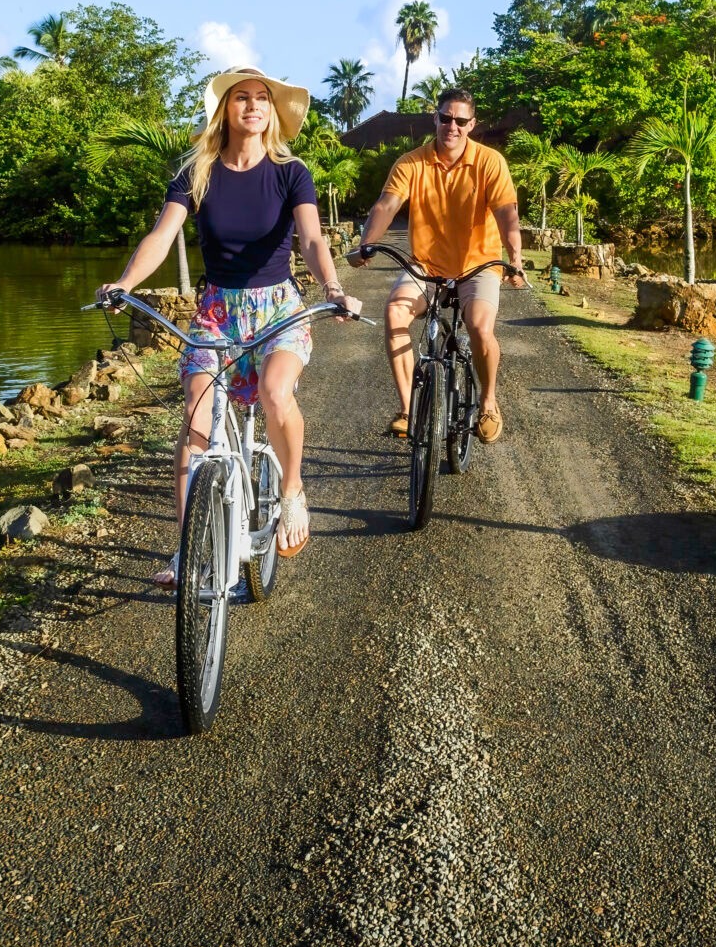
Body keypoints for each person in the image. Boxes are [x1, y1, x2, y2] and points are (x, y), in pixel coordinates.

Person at [102, 68, 356, 586]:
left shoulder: (291, 173)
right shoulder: (198, 173)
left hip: (277, 309)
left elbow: (311, 239)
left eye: (263, 99)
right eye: (243, 97)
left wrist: (331, 289)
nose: (254, 106)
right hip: (216, 313)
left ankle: (291, 491)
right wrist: (125, 282)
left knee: (275, 390)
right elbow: (161, 234)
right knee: (196, 425)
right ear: (226, 109)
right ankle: (184, 551)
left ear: (272, 113)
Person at [350, 86, 527, 442]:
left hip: (479, 264)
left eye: (461, 120)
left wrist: (516, 258)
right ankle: (408, 409)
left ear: (472, 124)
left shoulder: (490, 162)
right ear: (436, 118)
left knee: (478, 327)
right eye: (446, 118)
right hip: (425, 264)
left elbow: (507, 214)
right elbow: (386, 206)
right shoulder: (411, 162)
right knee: (395, 313)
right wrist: (366, 244)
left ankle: (489, 401)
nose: (452, 126)